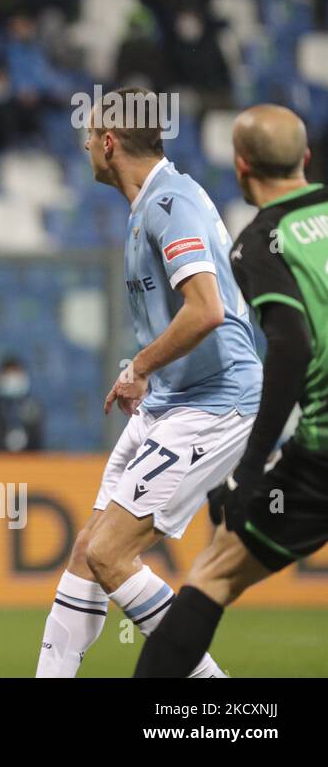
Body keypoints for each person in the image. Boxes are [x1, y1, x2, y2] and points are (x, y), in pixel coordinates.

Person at [34, 87, 262, 678]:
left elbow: (207, 309)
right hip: (171, 403)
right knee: (90, 550)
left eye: (89, 136)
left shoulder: (171, 205)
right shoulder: (149, 207)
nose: (84, 147)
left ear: (109, 143)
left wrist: (140, 365)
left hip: (215, 405)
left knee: (111, 553)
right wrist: (149, 376)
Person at [135, 105, 328, 677]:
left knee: (214, 573)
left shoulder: (262, 242)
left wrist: (247, 472)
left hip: (321, 455)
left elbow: (290, 349)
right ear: (305, 159)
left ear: (241, 167)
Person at [0, 357, 45, 452]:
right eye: (9, 374)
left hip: (27, 460)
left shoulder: (32, 405)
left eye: (17, 373)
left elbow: (38, 439)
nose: (13, 379)